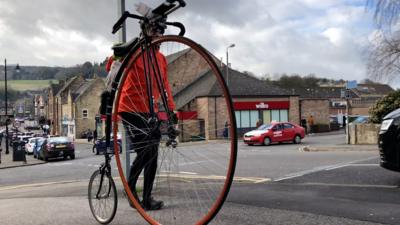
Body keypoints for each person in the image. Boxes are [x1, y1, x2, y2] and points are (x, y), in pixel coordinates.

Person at [106, 44, 175, 211]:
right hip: (129, 109)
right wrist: (120, 52)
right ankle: (130, 189)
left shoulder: (161, 59)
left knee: (153, 152)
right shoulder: (136, 52)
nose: (158, 36)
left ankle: (146, 198)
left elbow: (164, 85)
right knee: (145, 151)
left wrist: (171, 109)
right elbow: (110, 65)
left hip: (149, 111)